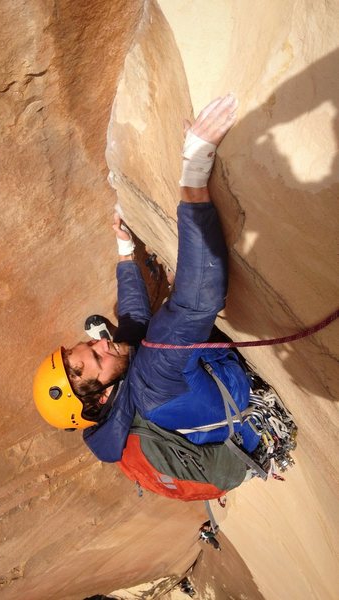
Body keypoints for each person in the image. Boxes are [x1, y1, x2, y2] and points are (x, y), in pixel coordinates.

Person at [33, 94, 264, 471]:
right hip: (242, 397)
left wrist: (126, 251)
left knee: (138, 333)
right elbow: (199, 299)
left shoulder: (127, 388)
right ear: (103, 396)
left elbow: (132, 323)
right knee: (172, 320)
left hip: (196, 381)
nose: (101, 343)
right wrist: (193, 173)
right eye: (96, 356)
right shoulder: (151, 379)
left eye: (89, 344)